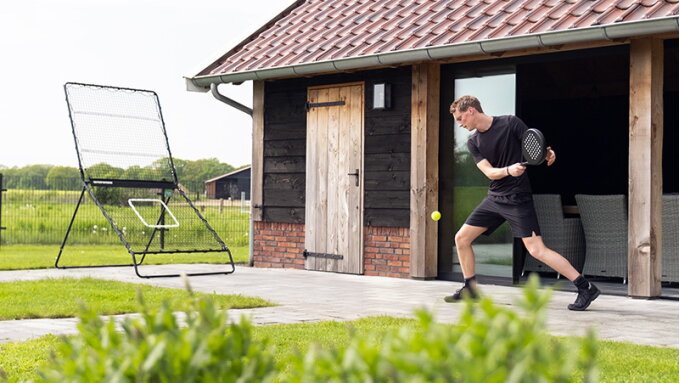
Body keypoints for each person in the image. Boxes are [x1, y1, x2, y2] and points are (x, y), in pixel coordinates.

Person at [444, 95, 599, 311]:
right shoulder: (473, 142)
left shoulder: (510, 123)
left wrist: (547, 153)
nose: (460, 123)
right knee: (461, 238)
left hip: (518, 197)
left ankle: (586, 287)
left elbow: (533, 145)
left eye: (460, 118)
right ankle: (470, 287)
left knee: (537, 250)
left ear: (471, 110)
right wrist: (508, 170)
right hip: (495, 198)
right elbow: (489, 172)